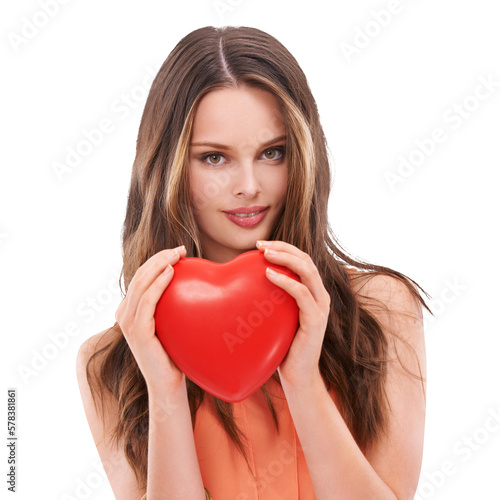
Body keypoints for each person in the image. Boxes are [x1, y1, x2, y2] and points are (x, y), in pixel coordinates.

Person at [76, 25, 432, 500]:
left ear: (303, 157)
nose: (249, 185)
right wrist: (165, 393)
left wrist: (303, 382)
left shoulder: (380, 309)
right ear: (170, 167)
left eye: (272, 152)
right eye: (215, 158)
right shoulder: (111, 362)